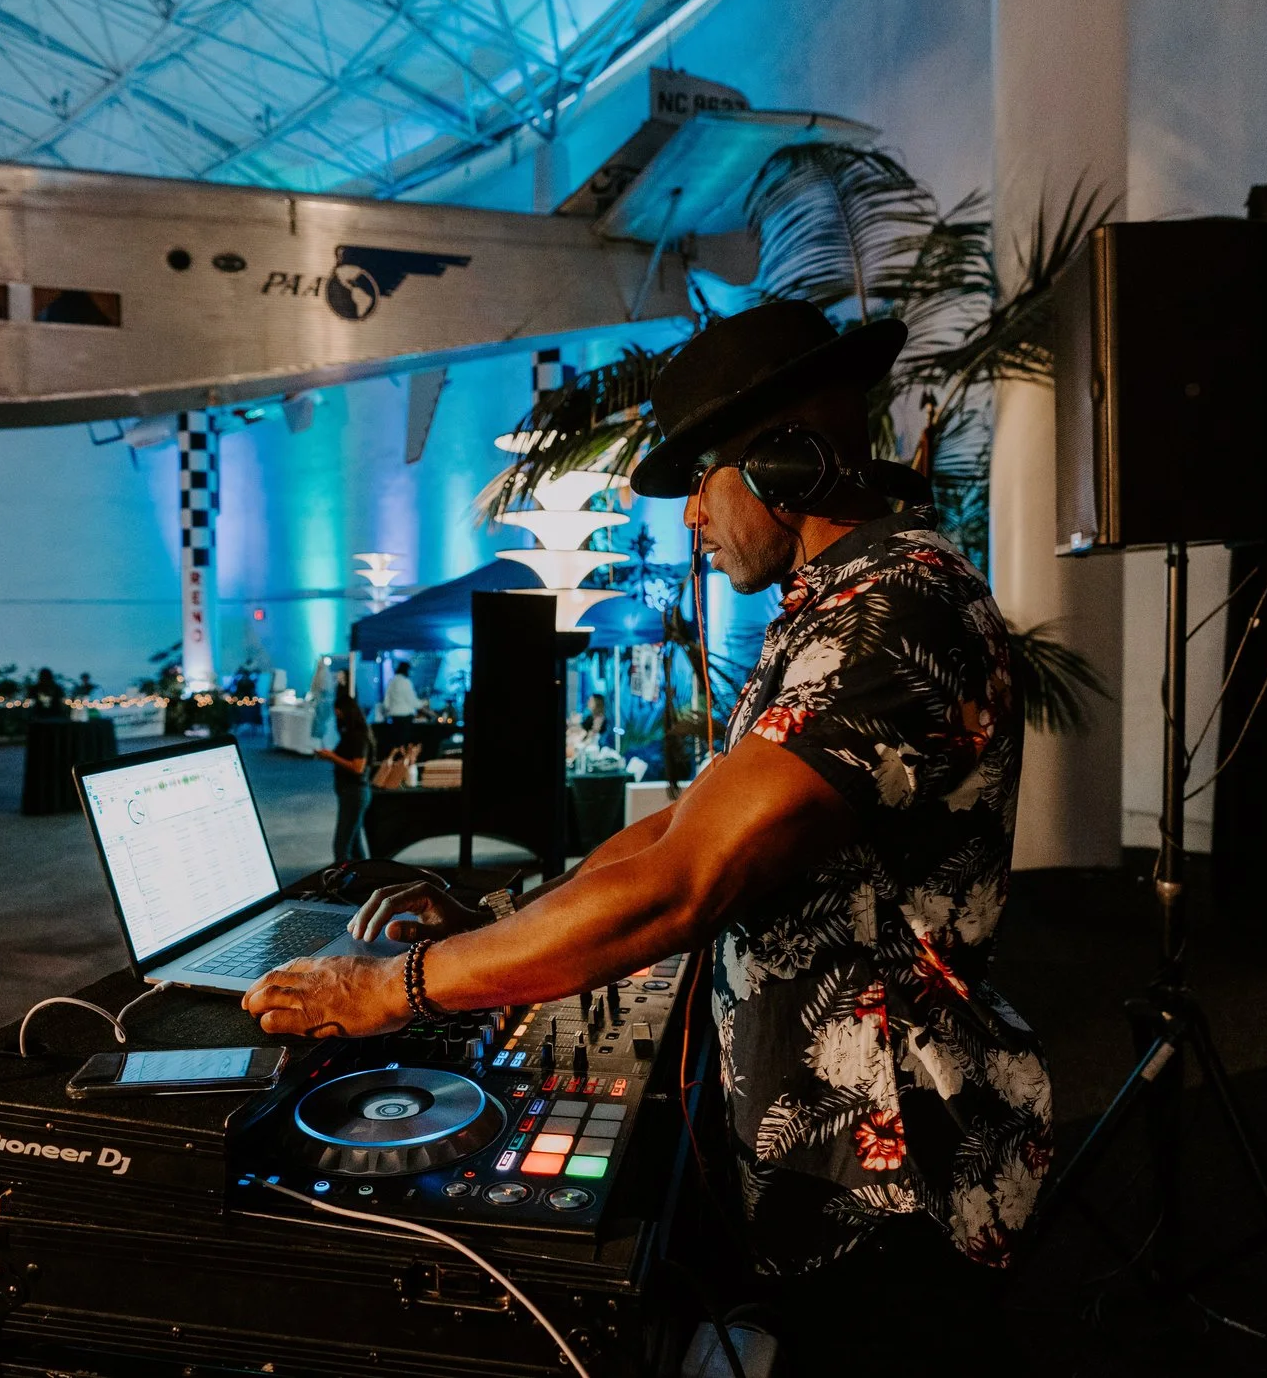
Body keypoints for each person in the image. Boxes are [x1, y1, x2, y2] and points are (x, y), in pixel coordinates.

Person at [242, 301, 1038, 1376]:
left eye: (698, 478)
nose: (688, 521)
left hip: (899, 1180)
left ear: (785, 463)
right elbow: (680, 823)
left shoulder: (899, 614)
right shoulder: (834, 607)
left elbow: (679, 882)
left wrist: (400, 987)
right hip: (835, 1159)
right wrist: (505, 922)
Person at [313, 684, 371, 863]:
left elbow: (358, 767)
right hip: (351, 792)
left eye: (338, 712)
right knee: (354, 843)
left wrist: (331, 757)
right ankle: (364, 878)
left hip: (354, 792)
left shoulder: (357, 736)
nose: (337, 716)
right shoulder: (352, 734)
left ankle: (344, 882)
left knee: (342, 846)